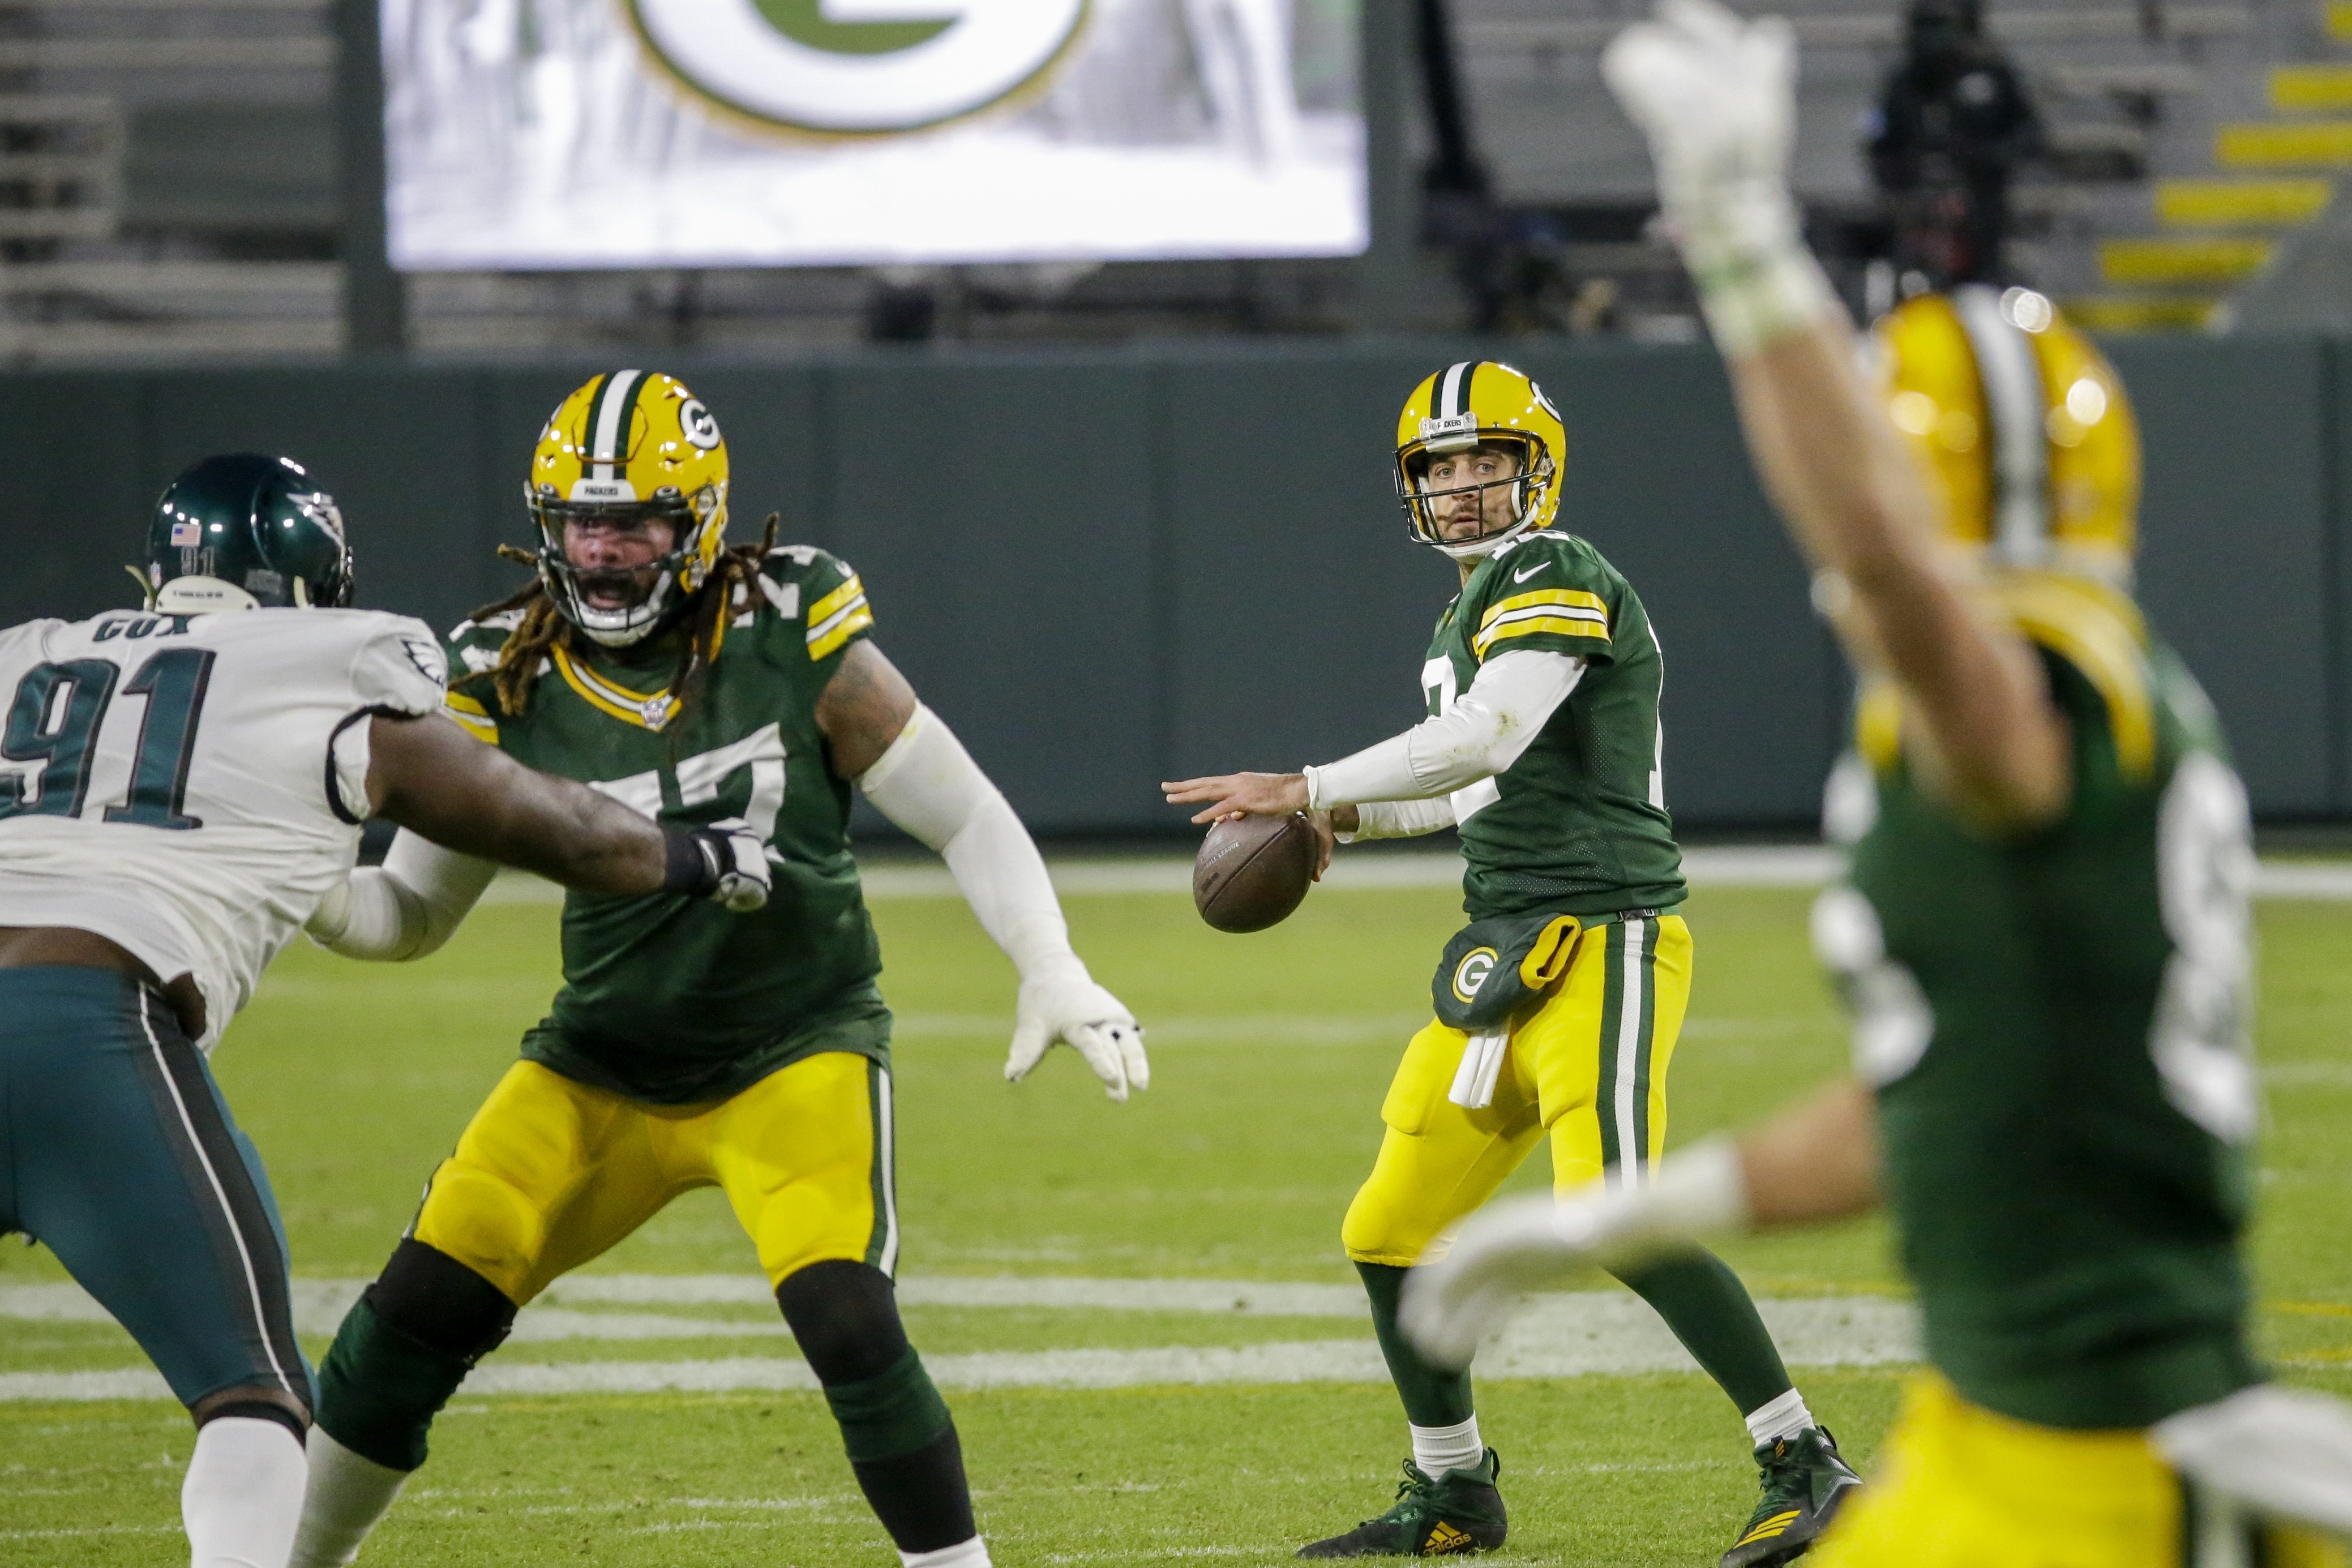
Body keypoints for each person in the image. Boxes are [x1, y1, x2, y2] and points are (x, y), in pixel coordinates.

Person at [1402, 4, 2352, 1563]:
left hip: (2087, 1466)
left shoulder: (2026, 692)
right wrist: (1619, 1212)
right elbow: (1941, 1095)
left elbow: (1895, 569)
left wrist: (1739, 246)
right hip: (1998, 1431)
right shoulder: (2087, 680)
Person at [290, 371, 1147, 1568]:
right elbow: (407, 911)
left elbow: (961, 812)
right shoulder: (506, 668)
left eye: (633, 520)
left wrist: (1051, 965)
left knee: (845, 1314)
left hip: (791, 1048)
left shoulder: (787, 623)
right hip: (599, 1062)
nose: (599, 550)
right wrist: (297, 880)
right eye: (580, 521)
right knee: (414, 1310)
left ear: (697, 523)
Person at [0, 453, 769, 1568]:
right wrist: (700, 855)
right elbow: (536, 818)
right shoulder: (323, 662)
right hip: (85, 1026)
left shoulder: (31, 654)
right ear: (318, 577)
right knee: (254, 1399)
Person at [1163, 360, 1856, 1564]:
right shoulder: (1470, 605)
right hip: (1501, 950)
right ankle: (1450, 1490)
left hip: (1608, 934)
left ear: (1535, 467)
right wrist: (1348, 821)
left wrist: (1309, 786)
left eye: (1487, 460)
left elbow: (1485, 732)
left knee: (1614, 1212)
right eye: (1442, 467)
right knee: (1386, 1230)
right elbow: (1479, 783)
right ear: (1413, 489)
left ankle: (1803, 1456)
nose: (1467, 485)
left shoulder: (1552, 571)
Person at [1865, 0, 2043, 286]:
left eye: (1941, 25)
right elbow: (1880, 146)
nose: (1934, 39)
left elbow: (2030, 135)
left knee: (1986, 290)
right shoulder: (1903, 84)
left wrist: (1985, 158)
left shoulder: (1991, 74)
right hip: (1920, 217)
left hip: (1982, 212)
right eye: (1926, 27)